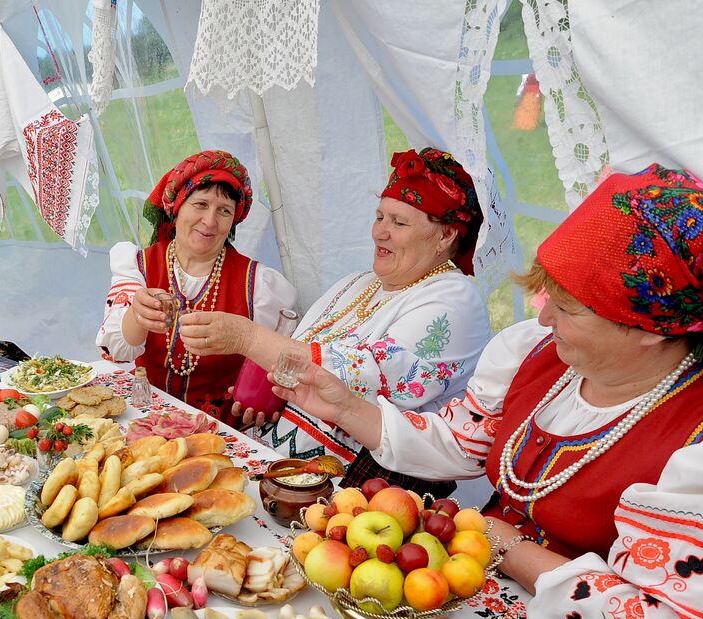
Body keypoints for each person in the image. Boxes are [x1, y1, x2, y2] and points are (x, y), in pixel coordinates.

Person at [274, 164, 703, 619]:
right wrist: (344, 407)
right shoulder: (542, 359)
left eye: (567, 307)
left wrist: (501, 543)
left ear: (651, 328)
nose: (542, 320)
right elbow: (460, 442)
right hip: (461, 599)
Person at [177, 149, 491, 494]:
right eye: (380, 217)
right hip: (273, 465)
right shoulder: (357, 283)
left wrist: (246, 338)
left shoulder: (454, 300)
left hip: (349, 491)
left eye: (398, 223)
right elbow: (301, 350)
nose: (380, 233)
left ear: (446, 236)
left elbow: (362, 375)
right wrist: (266, 394)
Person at [96, 150, 296, 422]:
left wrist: (263, 400)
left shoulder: (259, 284)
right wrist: (137, 315)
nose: (210, 221)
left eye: (224, 211)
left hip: (221, 430)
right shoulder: (138, 265)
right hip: (147, 418)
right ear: (176, 209)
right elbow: (117, 353)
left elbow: (275, 369)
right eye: (200, 204)